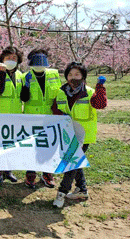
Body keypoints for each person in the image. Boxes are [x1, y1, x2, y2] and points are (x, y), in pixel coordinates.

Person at [52, 62, 107, 208]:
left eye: (77, 74)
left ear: (83, 76)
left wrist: (100, 88)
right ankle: (82, 189)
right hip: (68, 134)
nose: (73, 78)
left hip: (83, 135)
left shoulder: (89, 92)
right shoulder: (61, 91)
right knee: (76, 162)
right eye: (70, 75)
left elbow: (100, 104)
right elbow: (55, 108)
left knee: (71, 163)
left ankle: (61, 193)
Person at [0, 46, 27, 186]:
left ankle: (8, 171)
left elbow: (23, 95)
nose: (11, 60)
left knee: (12, 145)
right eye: (8, 58)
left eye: (14, 58)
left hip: (15, 115)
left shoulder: (21, 75)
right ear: (2, 59)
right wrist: (2, 73)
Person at [22, 49, 62, 189]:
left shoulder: (54, 74)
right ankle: (30, 176)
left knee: (50, 147)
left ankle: (47, 174)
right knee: (32, 148)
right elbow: (24, 98)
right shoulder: (25, 77)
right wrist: (26, 86)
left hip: (50, 117)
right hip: (31, 118)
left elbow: (60, 94)